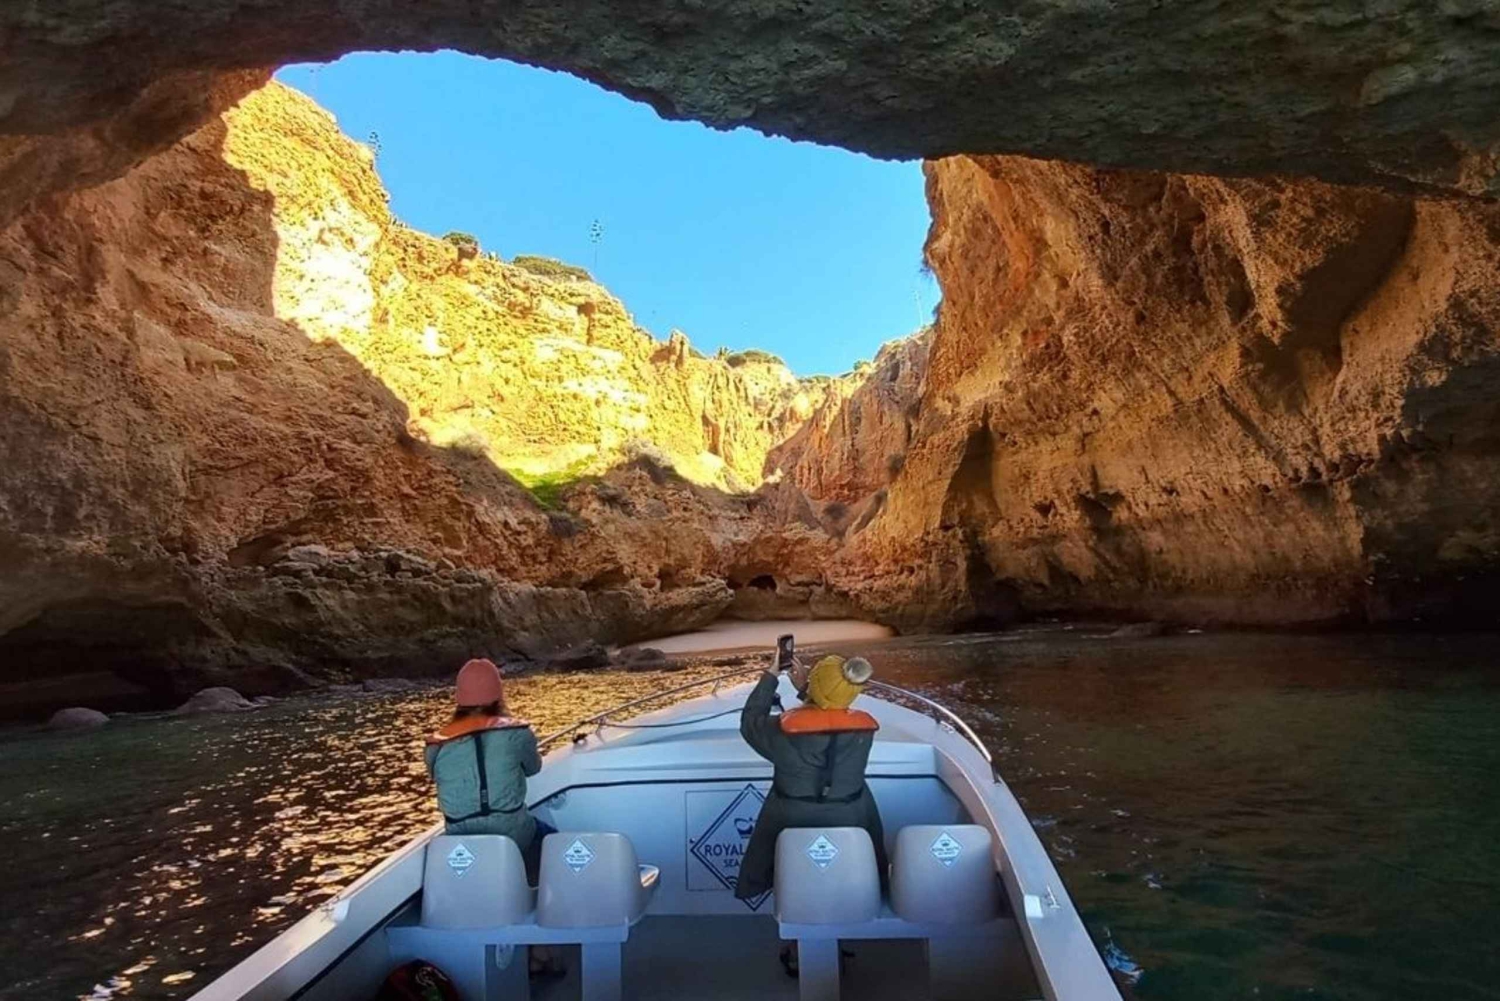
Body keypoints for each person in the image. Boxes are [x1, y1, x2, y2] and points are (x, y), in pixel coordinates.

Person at [425, 658, 562, 977]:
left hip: (461, 842)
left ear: (458, 699)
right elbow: (534, 767)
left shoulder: (436, 744)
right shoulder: (517, 733)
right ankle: (540, 949)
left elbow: (436, 774)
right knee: (549, 842)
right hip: (512, 836)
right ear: (499, 696)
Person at [736, 652, 889, 909]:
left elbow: (750, 723)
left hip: (790, 819)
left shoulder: (781, 733)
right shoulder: (863, 733)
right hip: (850, 816)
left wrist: (771, 675)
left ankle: (782, 915)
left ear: (815, 687)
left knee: (775, 854)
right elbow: (830, 714)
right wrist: (809, 690)